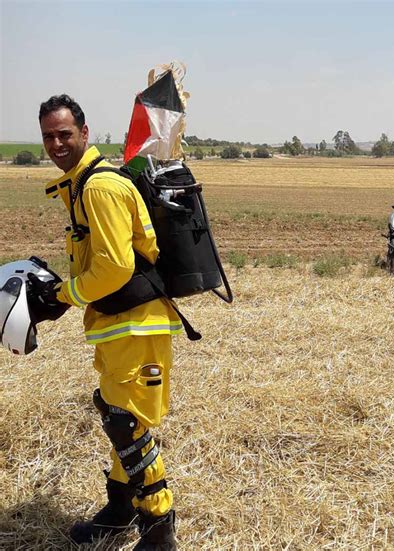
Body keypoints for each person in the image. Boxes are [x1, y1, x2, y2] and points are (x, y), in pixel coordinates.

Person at [36, 94, 182, 550]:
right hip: (121, 323)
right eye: (49, 136)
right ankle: (120, 508)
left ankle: (159, 528)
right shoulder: (81, 185)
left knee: (126, 423)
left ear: (85, 133)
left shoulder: (97, 188)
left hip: (137, 323)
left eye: (65, 134)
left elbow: (116, 267)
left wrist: (63, 295)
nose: (57, 143)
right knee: (120, 415)